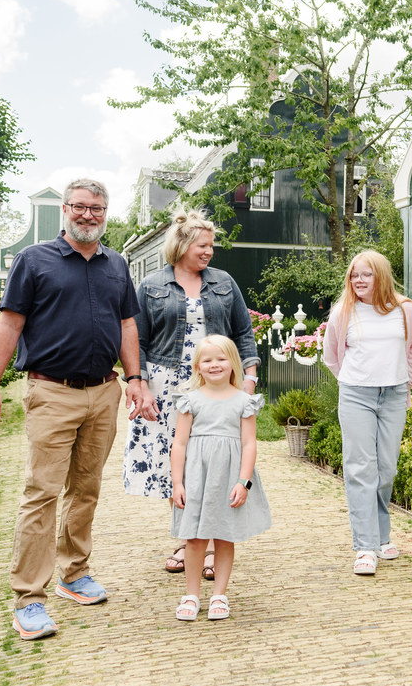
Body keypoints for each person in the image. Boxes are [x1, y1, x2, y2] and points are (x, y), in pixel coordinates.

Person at [0, 178, 155, 641]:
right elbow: (9, 324)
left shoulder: (118, 264)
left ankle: (74, 574)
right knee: (42, 493)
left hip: (104, 392)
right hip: (51, 393)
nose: (88, 215)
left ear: (105, 212)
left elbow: (126, 324)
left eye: (97, 208)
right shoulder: (33, 260)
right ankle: (28, 599)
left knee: (87, 488)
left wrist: (134, 380)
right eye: (80, 207)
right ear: (65, 211)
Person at [126, 209, 260, 579]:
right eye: (203, 245)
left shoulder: (224, 282)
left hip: (218, 381)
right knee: (180, 462)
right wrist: (137, 382)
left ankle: (216, 543)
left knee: (219, 456)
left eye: (211, 246)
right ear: (182, 245)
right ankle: (190, 542)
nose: (209, 252)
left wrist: (248, 378)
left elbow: (243, 332)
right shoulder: (152, 285)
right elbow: (136, 338)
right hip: (167, 384)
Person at [322, 249, 412, 576]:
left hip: (394, 394)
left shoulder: (405, 310)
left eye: (366, 274)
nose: (359, 280)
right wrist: (353, 381)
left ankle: (381, 535)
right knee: (360, 468)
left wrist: (405, 383)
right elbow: (331, 356)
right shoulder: (343, 311)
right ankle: (365, 546)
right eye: (354, 274)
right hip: (356, 396)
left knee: (386, 468)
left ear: (380, 276)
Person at [169, 334, 271, 621]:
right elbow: (179, 444)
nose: (215, 364)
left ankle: (219, 595)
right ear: (198, 367)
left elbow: (249, 444)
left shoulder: (243, 401)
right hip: (198, 478)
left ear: (233, 364)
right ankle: (191, 594)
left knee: (225, 536)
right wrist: (177, 482)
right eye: (208, 360)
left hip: (229, 477)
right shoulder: (189, 401)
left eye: (221, 358)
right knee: (195, 538)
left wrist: (244, 481)